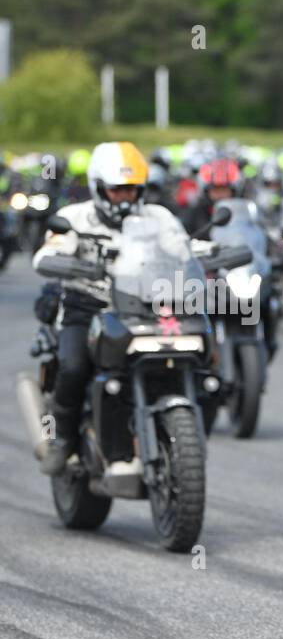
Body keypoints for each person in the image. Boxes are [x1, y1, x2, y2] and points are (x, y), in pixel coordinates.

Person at [33, 142, 186, 476]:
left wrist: (212, 252)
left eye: (131, 190)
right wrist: (68, 264)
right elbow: (46, 253)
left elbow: (182, 247)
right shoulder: (75, 218)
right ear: (99, 187)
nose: (124, 198)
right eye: (117, 190)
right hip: (86, 306)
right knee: (73, 367)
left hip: (141, 305)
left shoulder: (158, 217)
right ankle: (62, 439)